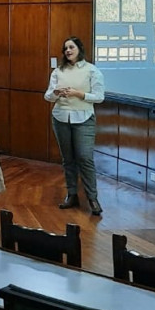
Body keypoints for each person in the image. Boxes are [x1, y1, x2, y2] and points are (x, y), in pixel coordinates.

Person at [44, 36, 105, 216]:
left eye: (71, 47)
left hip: (84, 118)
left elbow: (100, 96)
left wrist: (80, 94)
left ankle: (92, 198)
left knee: (85, 158)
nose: (68, 51)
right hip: (60, 118)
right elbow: (47, 96)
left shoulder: (92, 71)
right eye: (65, 49)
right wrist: (55, 93)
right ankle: (72, 195)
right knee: (67, 159)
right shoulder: (58, 71)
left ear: (79, 48)